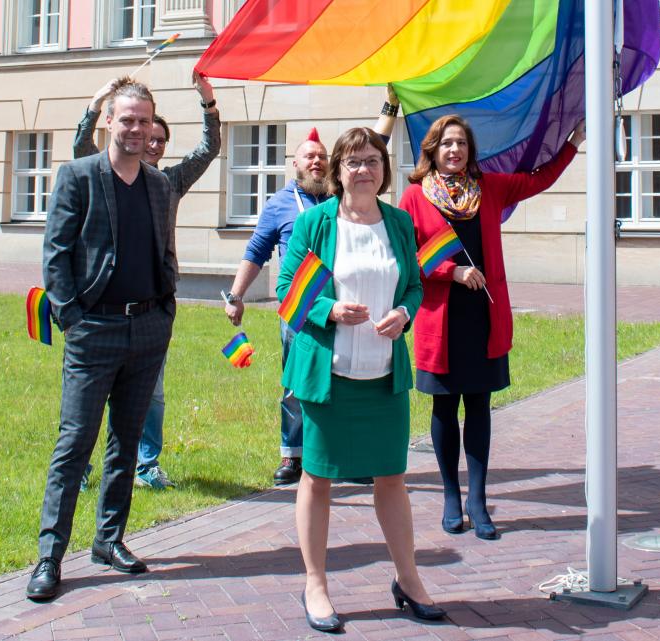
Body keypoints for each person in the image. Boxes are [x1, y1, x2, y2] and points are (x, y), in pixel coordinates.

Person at [278, 127, 443, 633]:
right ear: (337, 171)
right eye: (352, 162)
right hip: (329, 376)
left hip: (383, 376)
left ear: (384, 169)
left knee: (392, 477)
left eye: (372, 160)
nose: (363, 170)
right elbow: (286, 289)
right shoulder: (317, 224)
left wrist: (404, 313)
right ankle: (316, 584)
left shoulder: (397, 222)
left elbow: (414, 284)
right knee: (318, 478)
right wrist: (328, 309)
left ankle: (409, 579)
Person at [400, 115, 586, 541]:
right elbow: (408, 255)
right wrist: (452, 272)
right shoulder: (414, 197)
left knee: (479, 409)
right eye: (447, 143)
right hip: (440, 321)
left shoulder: (490, 189)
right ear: (432, 149)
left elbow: (538, 179)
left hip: (483, 319)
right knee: (444, 410)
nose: (454, 151)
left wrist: (573, 142)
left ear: (470, 150)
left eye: (461, 144)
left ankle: (478, 500)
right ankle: (450, 496)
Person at [28, 79, 176, 602]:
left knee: (126, 444)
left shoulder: (158, 185)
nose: (136, 130)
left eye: (144, 122)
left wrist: (165, 310)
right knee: (75, 445)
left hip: (148, 330)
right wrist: (72, 317)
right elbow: (56, 253)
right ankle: (50, 555)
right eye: (127, 120)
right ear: (109, 121)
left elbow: (164, 252)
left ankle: (108, 540)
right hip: (94, 332)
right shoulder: (79, 176)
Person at [223, 86, 403, 487]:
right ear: (296, 164)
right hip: (300, 306)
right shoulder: (281, 205)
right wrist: (236, 296)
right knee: (297, 384)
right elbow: (256, 251)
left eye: (323, 157)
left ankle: (351, 458)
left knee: (346, 386)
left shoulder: (338, 199)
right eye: (310, 156)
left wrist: (389, 108)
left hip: (348, 302)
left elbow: (370, 151)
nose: (317, 162)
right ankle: (294, 454)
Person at [73, 72, 221, 491]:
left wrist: (207, 102)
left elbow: (210, 149)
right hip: (101, 310)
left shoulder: (169, 183)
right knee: (91, 398)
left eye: (160, 140)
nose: (152, 143)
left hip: (150, 309)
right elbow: (80, 149)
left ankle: (145, 465)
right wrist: (96, 102)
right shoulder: (99, 174)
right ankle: (82, 469)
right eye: (146, 135)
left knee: (151, 393)